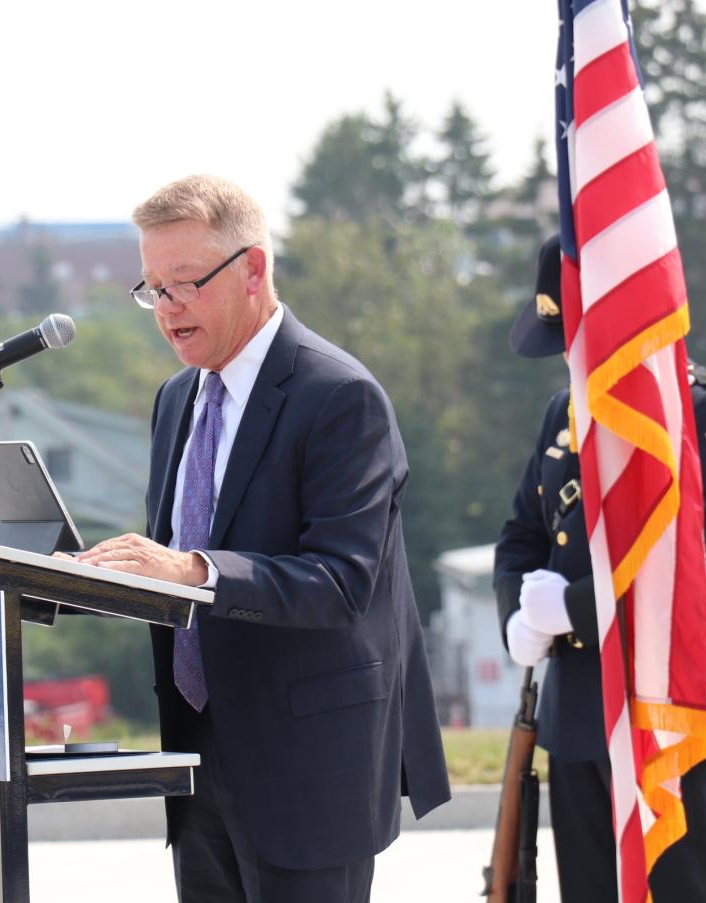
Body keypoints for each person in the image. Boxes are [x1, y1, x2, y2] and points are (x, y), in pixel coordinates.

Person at [75, 174, 451, 902]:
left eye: (185, 283)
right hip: (198, 759)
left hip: (307, 769)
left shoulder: (340, 397)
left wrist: (193, 569)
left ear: (254, 270)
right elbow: (174, 569)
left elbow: (340, 583)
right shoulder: (177, 397)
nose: (168, 309)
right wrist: (85, 578)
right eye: (153, 289)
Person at [494, 235, 706, 902]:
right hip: (579, 704)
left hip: (667, 698)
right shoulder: (565, 413)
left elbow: (691, 566)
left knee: (682, 889)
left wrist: (575, 607)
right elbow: (520, 534)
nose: (569, 354)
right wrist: (516, 617)